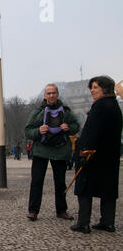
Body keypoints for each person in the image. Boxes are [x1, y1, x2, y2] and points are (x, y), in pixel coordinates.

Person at [71, 76, 122, 233]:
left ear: (104, 89)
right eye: (91, 87)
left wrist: (83, 150)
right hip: (110, 155)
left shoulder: (99, 106)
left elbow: (91, 132)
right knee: (108, 189)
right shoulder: (114, 106)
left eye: (95, 87)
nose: (92, 91)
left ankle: (83, 223)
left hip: (92, 154)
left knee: (84, 187)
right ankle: (108, 222)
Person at [24, 84, 80, 221]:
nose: (51, 95)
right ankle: (33, 211)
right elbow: (27, 131)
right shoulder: (37, 112)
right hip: (41, 151)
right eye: (48, 93)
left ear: (57, 94)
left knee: (60, 182)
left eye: (53, 93)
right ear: (45, 95)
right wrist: (38, 131)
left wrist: (68, 128)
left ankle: (61, 210)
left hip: (60, 150)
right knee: (37, 181)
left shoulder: (66, 112)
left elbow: (76, 126)